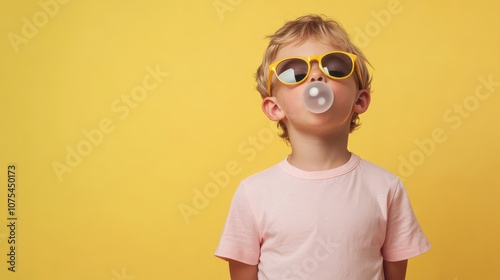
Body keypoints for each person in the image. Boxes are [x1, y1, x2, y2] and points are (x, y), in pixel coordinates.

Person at [215, 14, 430, 280]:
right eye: (294, 71)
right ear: (274, 107)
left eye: (336, 67)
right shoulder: (254, 193)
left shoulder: (386, 188)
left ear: (359, 100)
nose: (316, 76)